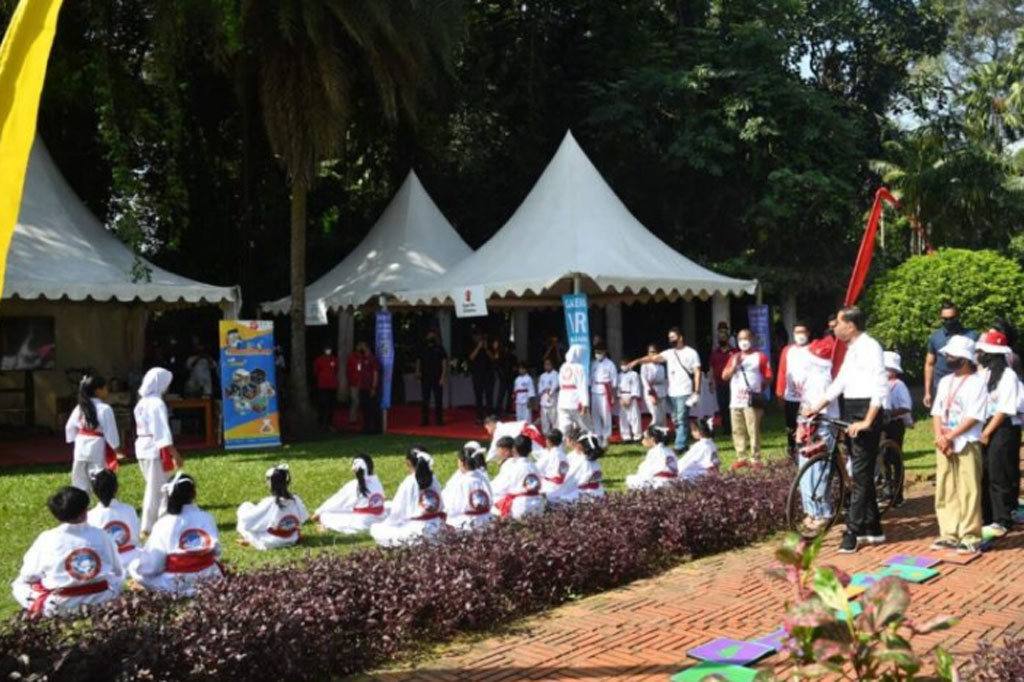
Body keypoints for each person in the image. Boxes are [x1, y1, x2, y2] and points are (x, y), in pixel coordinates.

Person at [805, 306, 889, 554]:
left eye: (839, 323)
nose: (834, 327)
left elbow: (880, 386)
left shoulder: (871, 347)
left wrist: (867, 420)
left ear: (850, 326)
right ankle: (872, 527)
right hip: (850, 406)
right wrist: (817, 406)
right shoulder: (851, 349)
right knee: (860, 471)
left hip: (866, 409)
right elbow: (839, 382)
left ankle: (852, 530)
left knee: (861, 472)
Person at [12, 486, 123, 616]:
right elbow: (117, 570)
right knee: (114, 577)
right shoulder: (102, 535)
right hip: (101, 599)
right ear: (85, 511)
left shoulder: (47, 539)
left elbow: (28, 575)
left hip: (62, 605)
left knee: (18, 585)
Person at [929, 335, 988, 554]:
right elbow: (936, 411)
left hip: (966, 441)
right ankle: (949, 533)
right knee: (945, 488)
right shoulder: (945, 381)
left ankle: (970, 535)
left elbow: (973, 416)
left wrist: (951, 435)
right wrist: (940, 436)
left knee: (968, 488)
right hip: (944, 442)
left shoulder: (977, 383)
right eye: (947, 355)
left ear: (965, 358)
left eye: (953, 356)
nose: (948, 359)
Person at [129, 473, 224, 594]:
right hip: (209, 576)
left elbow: (152, 566)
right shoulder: (207, 518)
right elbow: (217, 552)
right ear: (194, 493)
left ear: (169, 496)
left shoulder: (164, 524)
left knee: (135, 568)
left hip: (177, 581)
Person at [976, 330, 1022, 538]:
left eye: (983, 351)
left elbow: (1004, 409)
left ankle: (1002, 519)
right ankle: (986, 516)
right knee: (984, 472)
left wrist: (987, 431)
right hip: (985, 425)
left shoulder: (1008, 376)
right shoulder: (984, 374)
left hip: (1002, 428)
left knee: (999, 473)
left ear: (993, 354)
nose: (980, 355)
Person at [628, 327, 702, 452]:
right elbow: (653, 358)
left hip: (685, 390)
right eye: (669, 338)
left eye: (673, 337)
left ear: (681, 337)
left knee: (681, 418)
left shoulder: (691, 353)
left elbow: (697, 372)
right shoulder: (669, 353)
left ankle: (680, 445)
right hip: (672, 392)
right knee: (676, 419)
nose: (671, 340)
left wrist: (697, 391)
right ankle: (683, 442)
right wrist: (637, 361)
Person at [794, 337, 839, 531]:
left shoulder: (823, 377)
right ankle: (811, 511)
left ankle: (823, 511)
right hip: (807, 426)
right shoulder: (809, 377)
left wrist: (811, 413)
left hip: (822, 424)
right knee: (806, 470)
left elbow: (824, 402)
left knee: (819, 470)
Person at [134, 368, 182, 535]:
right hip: (154, 447)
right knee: (156, 489)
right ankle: (148, 526)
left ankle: (163, 519)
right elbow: (161, 431)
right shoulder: (156, 403)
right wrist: (174, 453)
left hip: (143, 445)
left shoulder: (142, 402)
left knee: (158, 486)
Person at [369, 449, 444, 546]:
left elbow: (397, 513)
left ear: (408, 463)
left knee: (377, 529)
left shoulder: (409, 482)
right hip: (437, 527)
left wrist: (388, 523)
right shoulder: (434, 479)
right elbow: (441, 505)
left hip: (416, 529)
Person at [722, 329, 773, 467]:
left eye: (746, 338)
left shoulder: (760, 356)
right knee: (737, 430)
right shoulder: (734, 357)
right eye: (740, 339)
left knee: (753, 429)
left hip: (752, 400)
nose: (743, 342)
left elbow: (768, 377)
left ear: (752, 339)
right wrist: (734, 366)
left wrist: (759, 390)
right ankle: (741, 457)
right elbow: (724, 376)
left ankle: (755, 458)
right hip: (735, 400)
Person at [66, 375, 123, 493]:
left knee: (80, 476)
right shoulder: (104, 409)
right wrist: (117, 449)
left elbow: (69, 427)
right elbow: (110, 431)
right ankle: (103, 500)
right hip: (97, 445)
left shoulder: (80, 407)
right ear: (98, 390)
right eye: (105, 388)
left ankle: (80, 503)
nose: (107, 390)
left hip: (81, 443)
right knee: (100, 475)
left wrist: (73, 438)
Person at [236, 464, 310, 550]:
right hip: (292, 538)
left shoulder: (269, 502)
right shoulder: (296, 499)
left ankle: (249, 540)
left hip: (271, 542)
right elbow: (303, 518)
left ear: (271, 483)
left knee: (244, 509)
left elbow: (246, 523)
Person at [924, 301, 979, 409]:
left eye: (951, 318)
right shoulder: (935, 337)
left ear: (958, 316)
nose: (948, 321)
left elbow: (979, 362)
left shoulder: (972, 336)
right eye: (945, 319)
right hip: (941, 383)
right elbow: (929, 364)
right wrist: (927, 392)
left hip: (966, 382)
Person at [313, 454, 387, 534]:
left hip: (363, 524)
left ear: (354, 469)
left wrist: (318, 512)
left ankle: (322, 524)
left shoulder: (354, 485)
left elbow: (336, 502)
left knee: (325, 515)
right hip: (380, 519)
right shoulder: (377, 482)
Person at [88, 470, 142, 566]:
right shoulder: (129, 509)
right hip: (134, 559)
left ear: (93, 491)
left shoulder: (90, 516)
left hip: (108, 563)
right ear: (117, 488)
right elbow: (136, 536)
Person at [491, 435, 545, 519]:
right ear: (530, 450)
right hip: (538, 505)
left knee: (492, 500)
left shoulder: (513, 466)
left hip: (521, 507)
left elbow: (499, 487)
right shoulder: (535, 467)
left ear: (514, 449)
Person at [776, 322, 811, 456]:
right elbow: (782, 371)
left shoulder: (813, 349)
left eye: (803, 332)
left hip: (808, 397)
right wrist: (779, 393)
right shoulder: (787, 350)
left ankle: (807, 449)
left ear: (808, 333)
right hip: (791, 396)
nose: (800, 335)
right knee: (791, 425)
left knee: (807, 425)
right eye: (797, 332)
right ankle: (791, 450)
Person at [883, 351, 912, 507]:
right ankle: (888, 488)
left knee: (895, 458)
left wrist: (890, 413)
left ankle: (898, 493)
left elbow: (906, 407)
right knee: (885, 458)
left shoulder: (898, 385)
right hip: (884, 425)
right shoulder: (881, 384)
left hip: (895, 424)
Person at [442, 442, 493, 531]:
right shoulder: (483, 477)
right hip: (484, 522)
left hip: (466, 525)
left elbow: (451, 506)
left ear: (462, 462)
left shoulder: (461, 482)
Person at [626, 425, 678, 489]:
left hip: (660, 482)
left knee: (630, 479)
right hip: (674, 481)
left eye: (645, 437)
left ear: (652, 439)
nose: (643, 440)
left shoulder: (655, 451)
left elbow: (647, 471)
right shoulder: (669, 450)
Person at [535, 428, 577, 505]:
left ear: (548, 441)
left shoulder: (548, 455)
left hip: (550, 488)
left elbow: (536, 469)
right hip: (563, 487)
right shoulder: (564, 455)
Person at [416, 329, 448, 427]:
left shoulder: (439, 348)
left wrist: (443, 376)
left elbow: (444, 362)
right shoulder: (422, 348)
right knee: (425, 399)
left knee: (438, 399)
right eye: (429, 334)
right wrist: (417, 372)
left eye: (432, 334)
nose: (430, 336)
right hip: (425, 376)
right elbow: (418, 360)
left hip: (437, 376)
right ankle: (425, 419)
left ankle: (439, 419)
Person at [589, 343, 618, 447]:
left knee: (606, 415)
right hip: (594, 390)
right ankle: (598, 435)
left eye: (600, 352)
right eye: (596, 352)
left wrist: (613, 396)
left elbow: (614, 381)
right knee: (595, 415)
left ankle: (606, 437)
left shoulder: (610, 364)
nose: (598, 354)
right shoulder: (594, 363)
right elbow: (590, 378)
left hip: (605, 390)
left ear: (604, 352)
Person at [557, 345, 590, 433]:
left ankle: (560, 446)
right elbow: (582, 386)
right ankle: (588, 445)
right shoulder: (580, 368)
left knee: (563, 428)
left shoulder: (563, 367)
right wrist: (585, 403)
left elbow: (560, 383)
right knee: (584, 427)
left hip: (563, 400)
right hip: (575, 399)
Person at [709, 323, 735, 432]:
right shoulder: (715, 353)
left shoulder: (734, 352)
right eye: (719, 337)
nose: (721, 339)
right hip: (720, 384)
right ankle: (726, 427)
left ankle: (733, 426)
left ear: (728, 338)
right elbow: (711, 367)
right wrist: (711, 382)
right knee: (722, 406)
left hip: (733, 383)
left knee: (732, 406)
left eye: (723, 337)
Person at [567, 430, 605, 500]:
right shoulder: (594, 459)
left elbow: (569, 481)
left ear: (580, 445)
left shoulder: (582, 461)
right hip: (599, 492)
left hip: (584, 494)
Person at [353, 342, 381, 434]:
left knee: (373, 407)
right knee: (364, 408)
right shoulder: (361, 359)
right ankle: (366, 427)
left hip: (370, 386)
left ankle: (377, 428)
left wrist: (374, 387)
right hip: (362, 386)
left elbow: (375, 373)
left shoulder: (372, 359)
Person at [639, 343, 668, 429]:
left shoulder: (661, 366)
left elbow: (663, 380)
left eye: (654, 352)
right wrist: (651, 393)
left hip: (661, 391)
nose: (652, 354)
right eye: (650, 352)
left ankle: (662, 433)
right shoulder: (645, 365)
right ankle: (649, 434)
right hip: (651, 390)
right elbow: (644, 380)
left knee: (662, 415)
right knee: (655, 415)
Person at [469, 331, 495, 423]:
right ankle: (479, 417)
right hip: (477, 375)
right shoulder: (472, 346)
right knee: (478, 396)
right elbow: (471, 357)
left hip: (488, 375)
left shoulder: (489, 346)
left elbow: (493, 358)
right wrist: (478, 347)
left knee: (489, 396)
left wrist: (486, 348)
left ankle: (489, 416)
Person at [313, 346, 340, 430]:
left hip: (332, 386)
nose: (328, 351)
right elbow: (315, 371)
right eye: (327, 349)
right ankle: (321, 423)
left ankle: (329, 424)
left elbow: (336, 370)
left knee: (331, 405)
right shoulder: (319, 359)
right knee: (323, 405)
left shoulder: (334, 359)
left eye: (329, 349)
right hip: (323, 386)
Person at [617, 359, 643, 442]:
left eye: (625, 364)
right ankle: (626, 437)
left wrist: (631, 398)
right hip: (622, 396)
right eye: (622, 364)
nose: (623, 366)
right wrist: (620, 398)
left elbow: (636, 386)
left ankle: (637, 436)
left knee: (634, 417)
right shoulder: (619, 375)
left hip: (631, 396)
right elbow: (617, 388)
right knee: (623, 418)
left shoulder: (634, 374)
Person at [537, 358, 560, 433]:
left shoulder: (555, 374)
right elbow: (540, 387)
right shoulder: (542, 376)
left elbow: (555, 385)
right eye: (545, 364)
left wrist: (550, 391)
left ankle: (555, 435)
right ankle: (546, 436)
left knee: (554, 420)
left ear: (552, 365)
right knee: (544, 421)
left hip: (552, 400)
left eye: (548, 364)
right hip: (544, 400)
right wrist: (544, 390)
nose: (547, 366)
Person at [345, 345, 361, 425]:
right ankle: (352, 419)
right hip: (354, 383)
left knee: (361, 401)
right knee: (355, 401)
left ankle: (360, 418)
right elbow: (348, 371)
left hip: (363, 383)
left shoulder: (364, 357)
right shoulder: (352, 358)